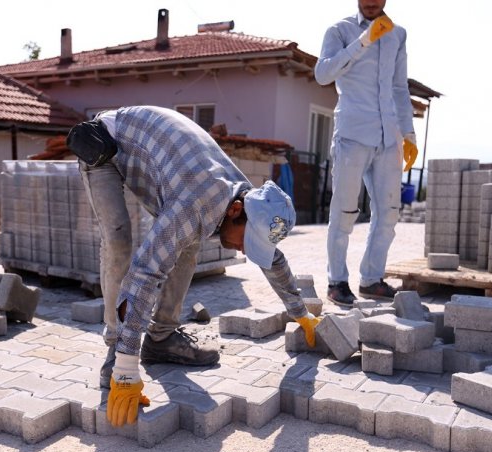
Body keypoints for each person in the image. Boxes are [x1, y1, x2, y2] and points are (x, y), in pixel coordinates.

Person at [66, 105, 321, 427]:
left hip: (164, 162)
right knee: (119, 243)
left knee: (186, 241)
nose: (244, 250)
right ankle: (115, 354)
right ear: (235, 211)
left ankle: (161, 339)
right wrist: (127, 367)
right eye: (246, 240)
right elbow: (145, 274)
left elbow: (273, 259)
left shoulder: (248, 198)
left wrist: (299, 311)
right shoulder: (197, 202)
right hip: (107, 144)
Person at [315, 0, 418, 307]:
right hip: (352, 133)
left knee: (388, 213)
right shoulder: (339, 30)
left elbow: (399, 88)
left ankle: (371, 279)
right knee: (345, 211)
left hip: (389, 137)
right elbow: (323, 74)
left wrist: (408, 132)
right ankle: (336, 281)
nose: (371, 2)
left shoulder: (397, 34)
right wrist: (364, 40)